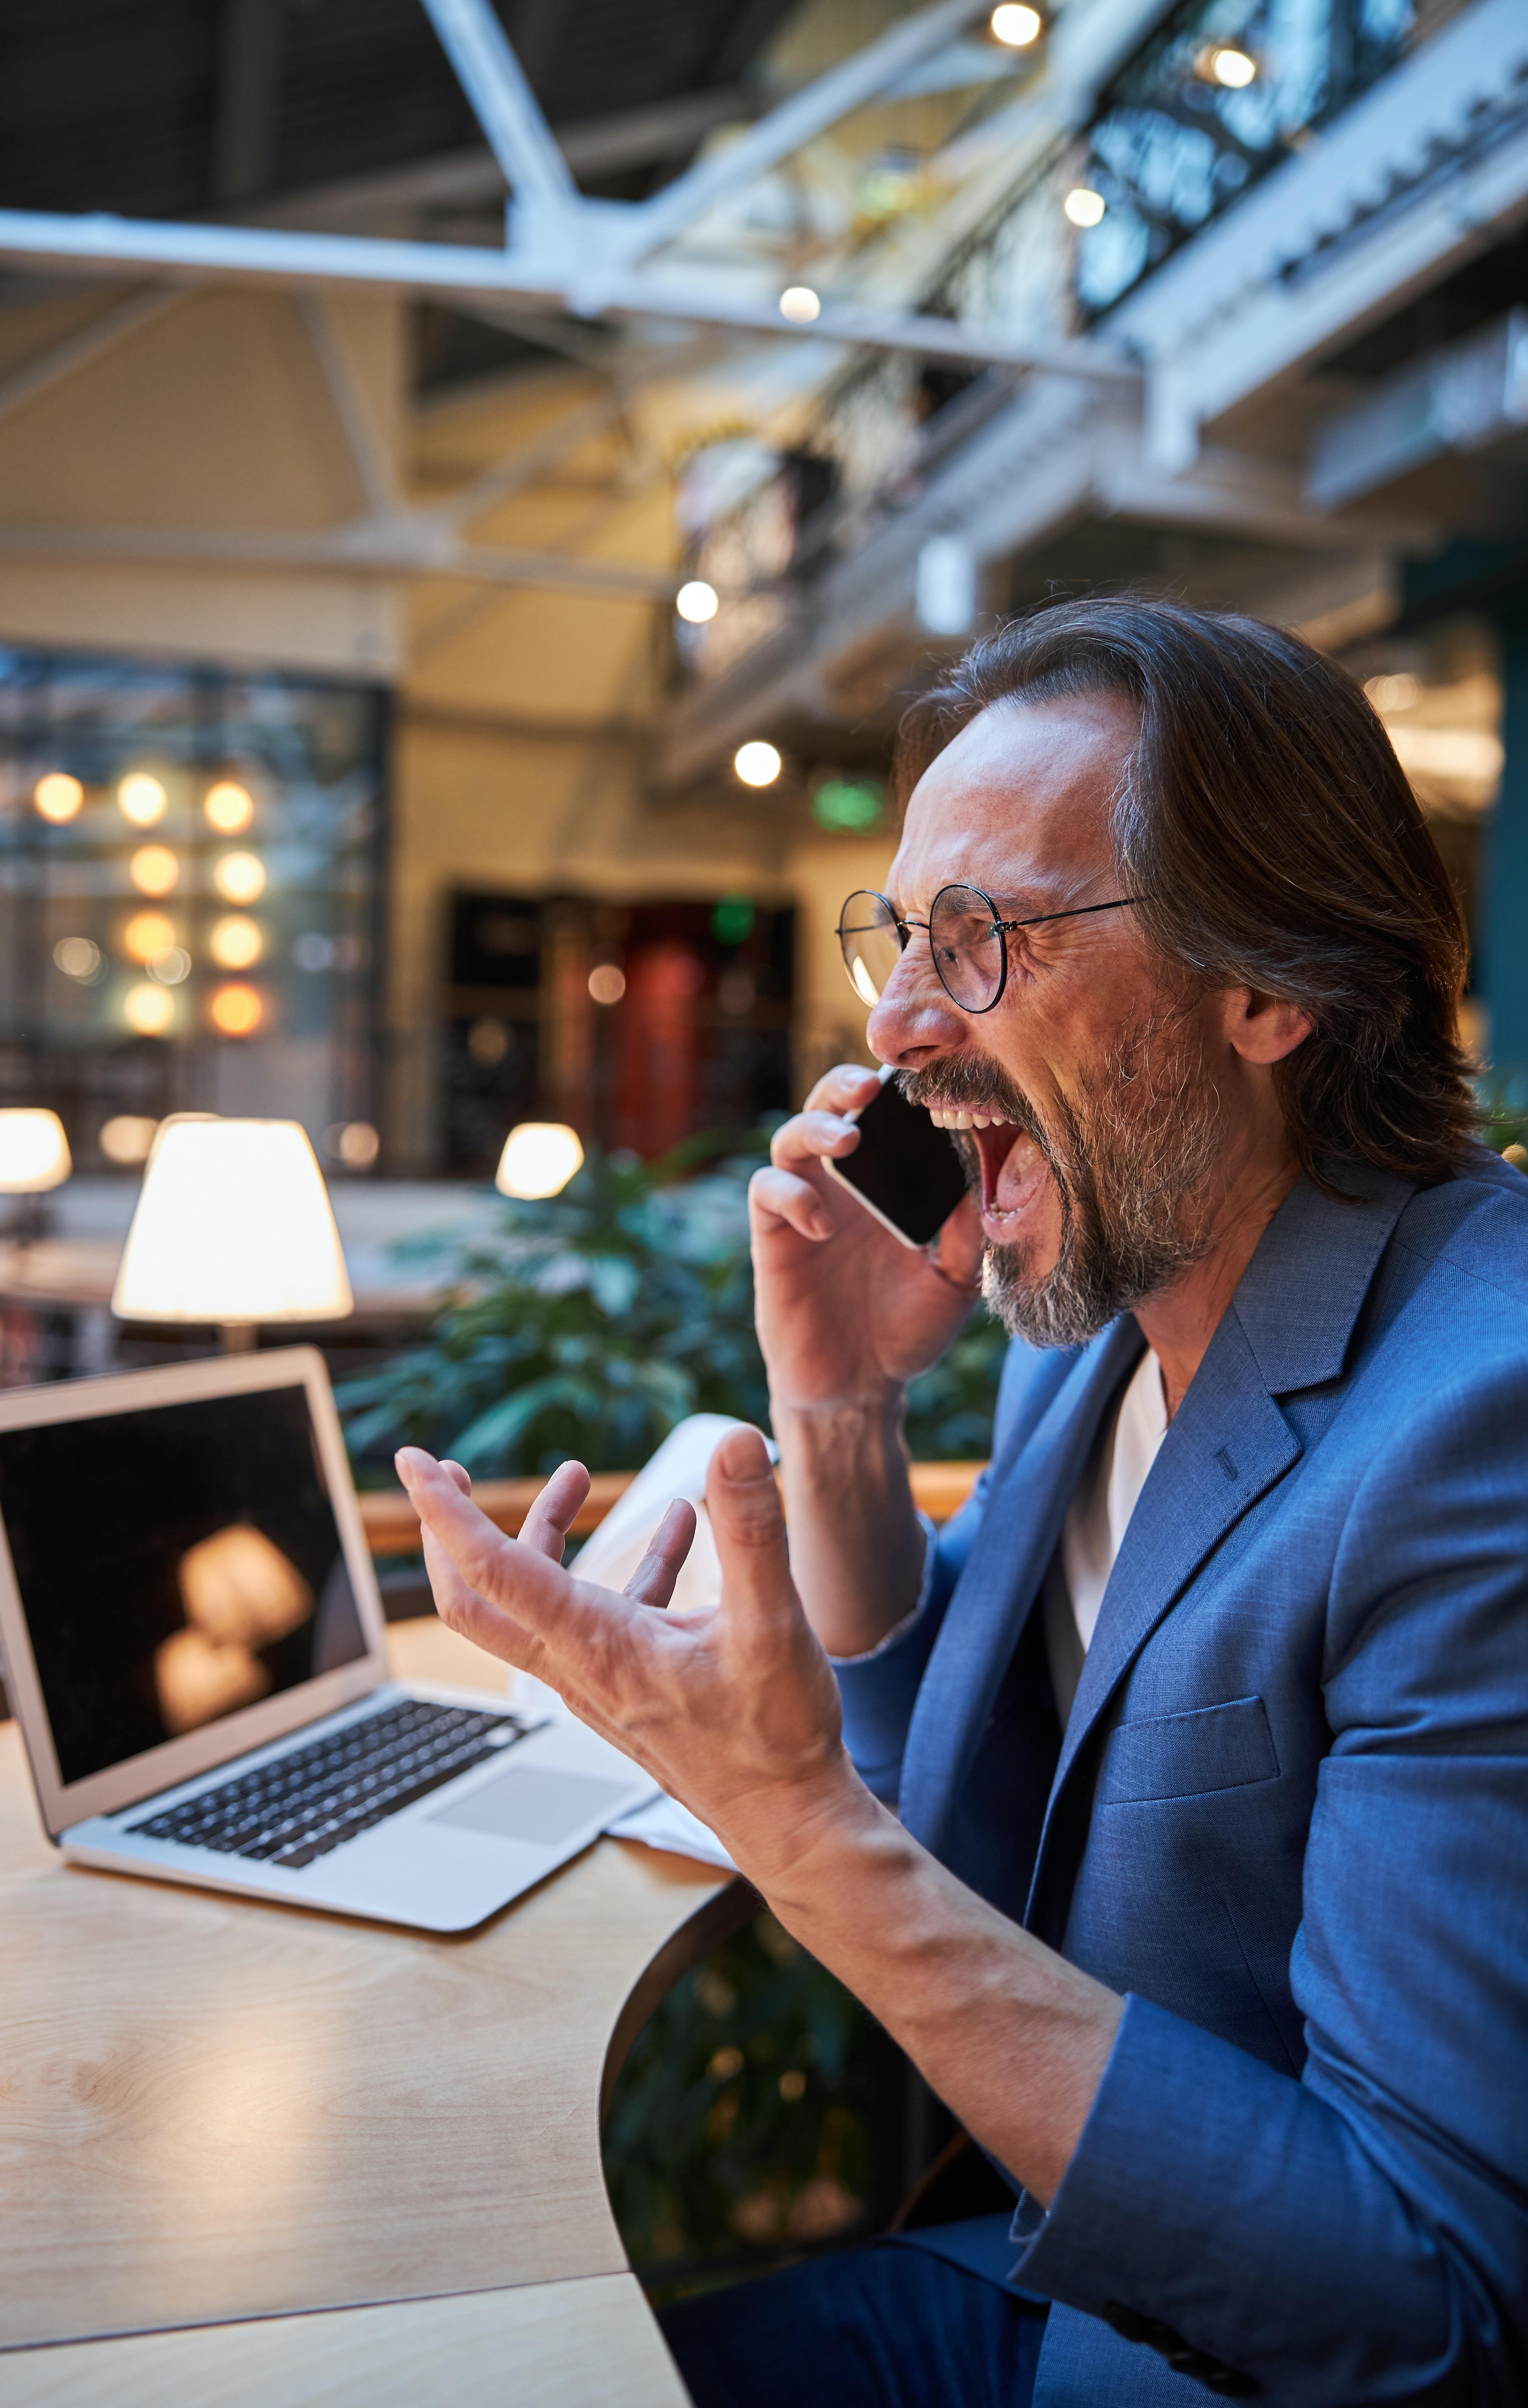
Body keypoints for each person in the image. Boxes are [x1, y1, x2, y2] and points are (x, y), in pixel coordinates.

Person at [395, 599, 1528, 2407]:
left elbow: (1434, 2308)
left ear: (1270, 987)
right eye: (901, 939)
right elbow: (996, 1813)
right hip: (1036, 2270)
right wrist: (842, 1415)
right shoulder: (1096, 1316)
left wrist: (789, 1823)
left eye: (985, 940)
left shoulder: (1487, 1425)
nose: (903, 1027)